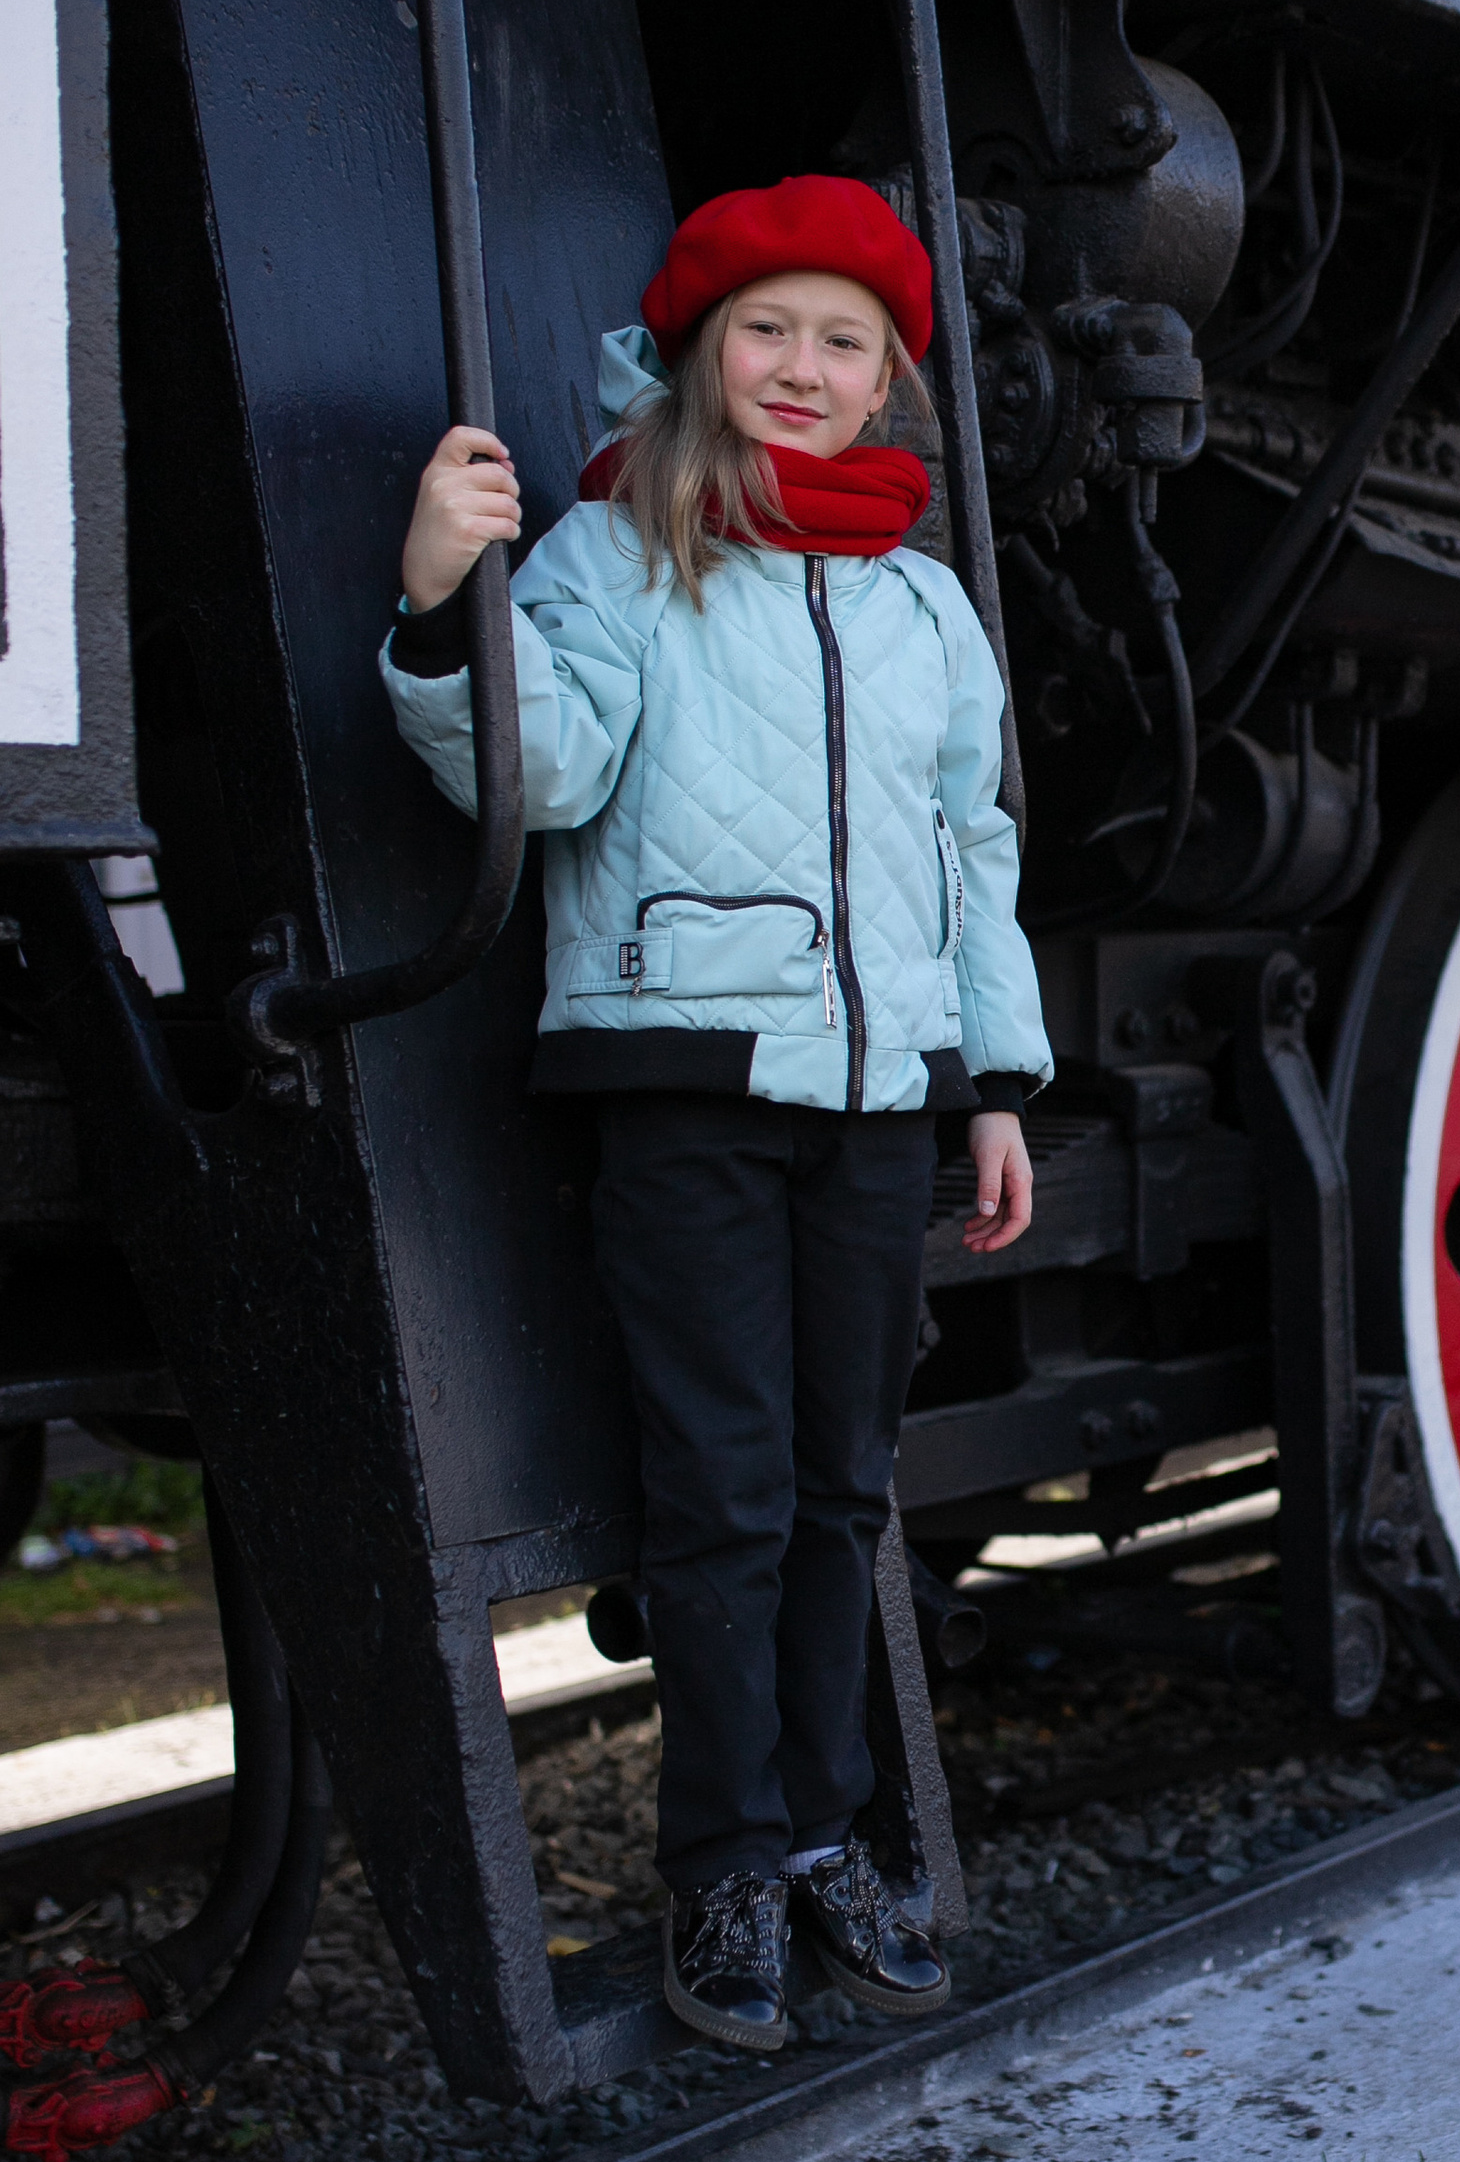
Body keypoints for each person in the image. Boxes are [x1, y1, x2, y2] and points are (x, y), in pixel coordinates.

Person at [382, 175, 1048, 2055]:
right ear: (697, 351)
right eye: (769, 328)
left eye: (847, 341)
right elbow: (555, 773)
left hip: (873, 1105)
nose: (804, 368)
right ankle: (728, 1873)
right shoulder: (614, 552)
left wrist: (993, 1083)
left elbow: (968, 849)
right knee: (725, 1493)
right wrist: (446, 605)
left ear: (889, 381)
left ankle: (828, 1833)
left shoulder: (925, 601)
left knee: (843, 1484)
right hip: (682, 1083)